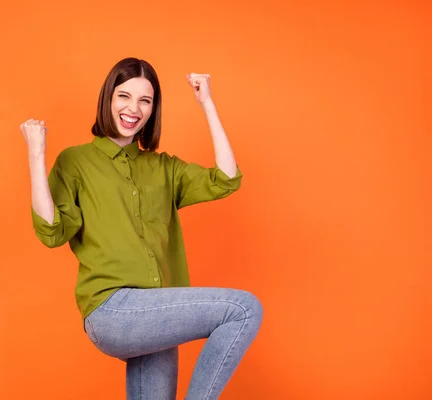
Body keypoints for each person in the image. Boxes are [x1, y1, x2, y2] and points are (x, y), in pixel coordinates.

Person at [20, 57, 263, 400]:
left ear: (152, 110)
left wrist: (206, 103)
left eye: (145, 100)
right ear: (108, 99)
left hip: (157, 311)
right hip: (112, 310)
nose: (133, 108)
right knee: (243, 309)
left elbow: (226, 179)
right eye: (124, 96)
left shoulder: (163, 167)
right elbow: (52, 231)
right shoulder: (76, 162)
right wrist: (36, 154)